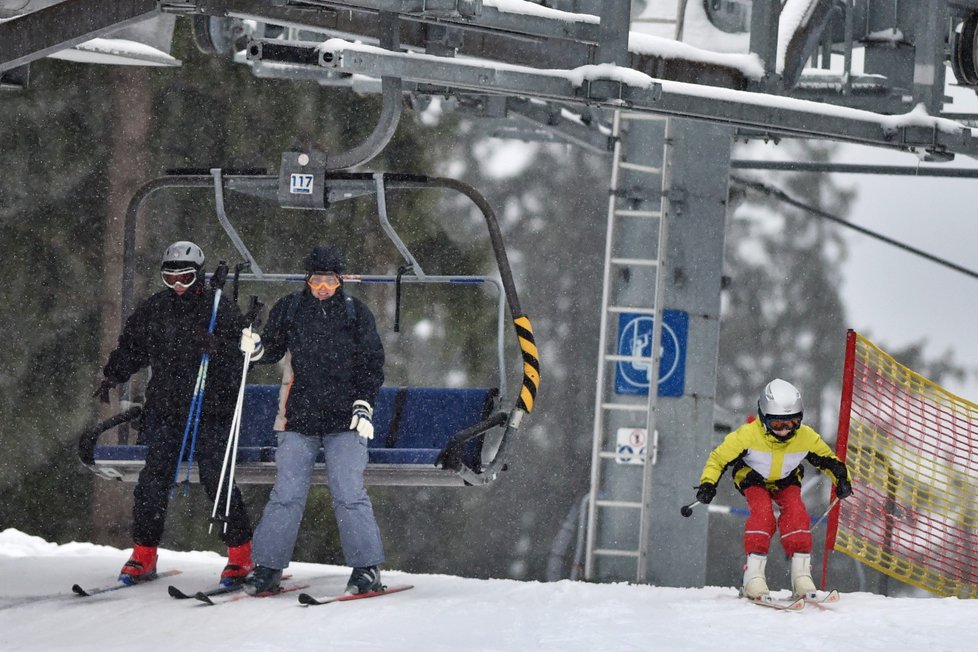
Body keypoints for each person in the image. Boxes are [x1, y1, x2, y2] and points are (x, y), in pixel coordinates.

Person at [94, 241, 262, 585]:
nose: (178, 286)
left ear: (198, 275)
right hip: (167, 409)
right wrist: (115, 373)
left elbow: (242, 359)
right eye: (170, 278)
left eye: (185, 277)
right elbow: (133, 345)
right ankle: (144, 553)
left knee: (217, 480)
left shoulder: (219, 307)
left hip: (211, 409)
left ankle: (241, 555)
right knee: (153, 482)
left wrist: (220, 350)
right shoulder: (155, 309)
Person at [243, 245, 386, 596]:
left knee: (349, 493)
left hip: (346, 421)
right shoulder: (291, 308)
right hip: (298, 419)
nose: (323, 287)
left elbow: (371, 365)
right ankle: (268, 568)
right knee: (286, 494)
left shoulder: (356, 313)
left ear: (341, 280)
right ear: (307, 279)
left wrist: (364, 405)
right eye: (317, 280)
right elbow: (274, 348)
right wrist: (256, 349)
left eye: (330, 281)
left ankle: (366, 568)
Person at [694, 378, 852, 599]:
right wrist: (708, 484)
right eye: (778, 425)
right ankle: (754, 576)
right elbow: (718, 459)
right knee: (763, 515)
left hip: (785, 479)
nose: (785, 431)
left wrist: (842, 479)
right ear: (763, 417)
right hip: (753, 478)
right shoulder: (748, 435)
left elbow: (829, 460)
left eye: (793, 423)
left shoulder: (805, 437)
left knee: (797, 514)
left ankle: (801, 576)